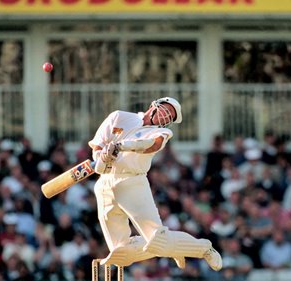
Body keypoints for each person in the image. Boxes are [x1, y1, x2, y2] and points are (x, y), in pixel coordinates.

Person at [88, 97, 222, 272]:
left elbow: (149, 145)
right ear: (154, 105)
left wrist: (121, 146)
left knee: (158, 240)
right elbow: (97, 146)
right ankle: (173, 247)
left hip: (132, 182)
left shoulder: (162, 133)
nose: (165, 118)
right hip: (105, 183)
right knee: (121, 251)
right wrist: (102, 157)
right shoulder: (119, 117)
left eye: (170, 118)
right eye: (166, 111)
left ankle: (203, 248)